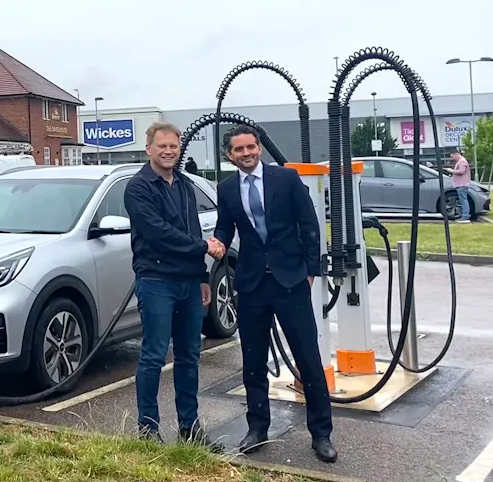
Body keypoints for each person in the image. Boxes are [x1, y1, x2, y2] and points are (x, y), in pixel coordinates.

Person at [211, 125, 337, 463]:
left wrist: (312, 270)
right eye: (239, 149)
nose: (247, 153)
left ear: (260, 149)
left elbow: (309, 223)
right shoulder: (226, 189)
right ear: (229, 155)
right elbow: (226, 226)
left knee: (308, 358)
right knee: (253, 360)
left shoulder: (286, 179)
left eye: (251, 147)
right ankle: (257, 428)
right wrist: (217, 242)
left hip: (291, 280)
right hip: (252, 284)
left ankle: (321, 434)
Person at [123, 121, 225, 446]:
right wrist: (204, 247)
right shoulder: (138, 188)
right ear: (149, 149)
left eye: (174, 146)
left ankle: (190, 428)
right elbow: (159, 234)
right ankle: (148, 431)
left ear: (179, 148)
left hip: (188, 284)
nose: (168, 151)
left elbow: (192, 229)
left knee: (189, 355)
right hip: (156, 282)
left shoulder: (183, 184)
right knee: (154, 355)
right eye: (162, 146)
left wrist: (202, 277)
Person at [449, 150, 473, 223]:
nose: (452, 158)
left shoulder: (462, 162)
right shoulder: (461, 161)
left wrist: (451, 171)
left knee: (463, 201)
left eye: (452, 157)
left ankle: (465, 217)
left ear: (456, 154)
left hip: (461, 184)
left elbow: (462, 171)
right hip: (461, 184)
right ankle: (464, 216)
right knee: (463, 200)